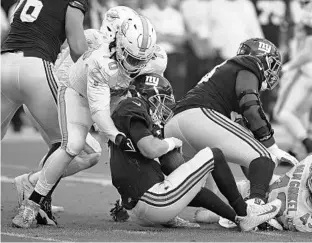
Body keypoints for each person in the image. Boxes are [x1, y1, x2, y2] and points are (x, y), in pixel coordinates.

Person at [11, 13, 158, 229]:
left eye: (142, 60)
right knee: (72, 145)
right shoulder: (100, 59)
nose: (137, 65)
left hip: (109, 98)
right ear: (119, 43)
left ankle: (133, 201)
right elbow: (98, 111)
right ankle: (32, 204)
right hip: (77, 97)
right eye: (133, 59)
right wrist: (115, 135)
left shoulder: (153, 58)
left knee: (143, 136)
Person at [109, 72, 282, 231]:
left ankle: (240, 217)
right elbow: (150, 149)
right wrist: (170, 142)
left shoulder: (127, 121)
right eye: (160, 99)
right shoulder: (132, 105)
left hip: (142, 208)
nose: (163, 107)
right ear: (145, 96)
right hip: (154, 200)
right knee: (214, 154)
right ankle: (247, 213)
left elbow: (173, 170)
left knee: (191, 183)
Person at [164, 38, 298, 211]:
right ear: (261, 57)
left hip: (175, 126)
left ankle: (198, 212)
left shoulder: (226, 75)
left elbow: (245, 153)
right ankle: (254, 210)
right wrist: (271, 148)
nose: (272, 72)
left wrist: (266, 181)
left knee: (206, 197)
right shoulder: (249, 64)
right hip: (198, 119)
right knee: (264, 157)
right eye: (272, 65)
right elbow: (250, 107)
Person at [1, 0, 89, 225]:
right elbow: (78, 48)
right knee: (77, 148)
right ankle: (35, 192)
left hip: (4, 63)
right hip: (35, 69)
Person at [198, 154, 312, 232]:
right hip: (259, 187)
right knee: (260, 155)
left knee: (202, 216)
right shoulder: (309, 163)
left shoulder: (303, 221)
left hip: (260, 211)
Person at [274, 0, 312, 156]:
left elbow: (307, 52)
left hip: (303, 73)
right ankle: (296, 150)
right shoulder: (302, 13)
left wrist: (287, 67)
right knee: (300, 114)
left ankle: (305, 141)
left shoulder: (305, 18)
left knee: (282, 112)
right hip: (307, 74)